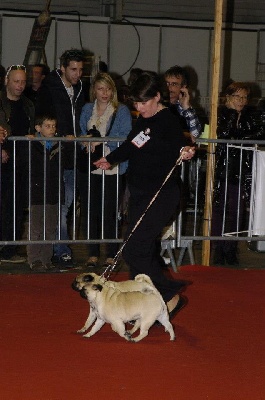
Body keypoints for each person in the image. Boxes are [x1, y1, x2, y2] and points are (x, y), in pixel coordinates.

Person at [94, 72, 195, 317]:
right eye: (136, 103)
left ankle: (169, 297)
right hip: (140, 195)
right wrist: (110, 159)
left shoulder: (168, 121)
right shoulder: (143, 121)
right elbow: (132, 145)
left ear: (157, 97)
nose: (139, 108)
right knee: (140, 248)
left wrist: (187, 151)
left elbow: (180, 146)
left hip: (161, 195)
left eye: (144, 102)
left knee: (135, 249)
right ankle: (143, 305)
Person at [35, 49, 85, 267]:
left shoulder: (82, 88)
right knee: (59, 205)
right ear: (62, 68)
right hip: (56, 155)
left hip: (75, 156)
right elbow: (43, 117)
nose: (77, 74)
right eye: (73, 69)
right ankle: (59, 248)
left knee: (65, 205)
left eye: (81, 69)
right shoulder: (49, 88)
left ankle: (58, 247)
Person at [79, 72, 132, 268]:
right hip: (90, 166)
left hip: (112, 166)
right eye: (100, 88)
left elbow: (125, 136)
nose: (104, 93)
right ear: (94, 90)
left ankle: (110, 252)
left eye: (108, 89)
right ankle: (92, 253)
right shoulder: (86, 109)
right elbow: (80, 132)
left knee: (110, 211)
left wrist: (102, 140)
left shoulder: (122, 110)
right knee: (90, 210)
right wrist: (84, 140)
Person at [212, 81, 265, 265]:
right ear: (228, 97)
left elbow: (258, 133)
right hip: (221, 169)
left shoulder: (249, 116)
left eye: (245, 97)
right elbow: (226, 135)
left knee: (236, 212)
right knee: (220, 210)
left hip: (241, 169)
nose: (242, 101)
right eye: (238, 97)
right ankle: (218, 248)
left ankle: (230, 249)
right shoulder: (220, 114)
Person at [0, 64, 35, 263]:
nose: (20, 85)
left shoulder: (29, 104)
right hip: (3, 161)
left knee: (16, 206)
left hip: (21, 162)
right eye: (16, 81)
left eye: (23, 81)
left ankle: (9, 249)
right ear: (7, 81)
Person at [26, 114, 63, 272]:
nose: (52, 129)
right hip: (36, 191)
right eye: (48, 126)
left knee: (50, 228)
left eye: (54, 126)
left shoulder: (59, 144)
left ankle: (46, 258)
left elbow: (66, 163)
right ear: (38, 128)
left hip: (53, 191)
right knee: (36, 228)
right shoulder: (32, 143)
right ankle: (34, 259)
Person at [164, 65, 202, 141]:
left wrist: (186, 107)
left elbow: (195, 136)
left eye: (174, 84)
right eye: (167, 83)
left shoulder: (183, 109)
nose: (169, 87)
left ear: (183, 87)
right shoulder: (156, 104)